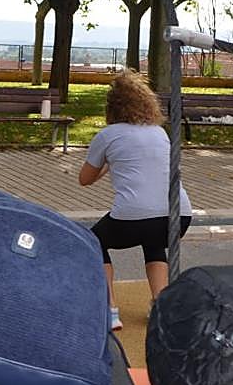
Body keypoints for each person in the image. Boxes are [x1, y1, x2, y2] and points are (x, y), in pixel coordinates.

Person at [79, 70, 192, 331]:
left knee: (94, 242)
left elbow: (85, 179)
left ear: (111, 107)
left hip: (133, 216)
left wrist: (109, 160)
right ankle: (160, 307)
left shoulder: (107, 135)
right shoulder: (159, 132)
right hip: (179, 214)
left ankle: (109, 310)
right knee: (154, 243)